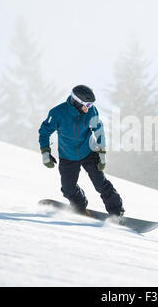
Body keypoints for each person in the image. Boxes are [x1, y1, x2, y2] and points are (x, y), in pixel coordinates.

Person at [38, 85, 124, 217]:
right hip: (67, 156)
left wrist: (102, 154)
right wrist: (45, 153)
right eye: (87, 104)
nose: (89, 107)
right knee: (68, 189)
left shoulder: (91, 111)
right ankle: (80, 207)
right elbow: (44, 132)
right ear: (77, 102)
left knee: (101, 184)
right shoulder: (58, 113)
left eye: (91, 105)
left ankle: (116, 212)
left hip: (88, 152)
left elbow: (99, 131)